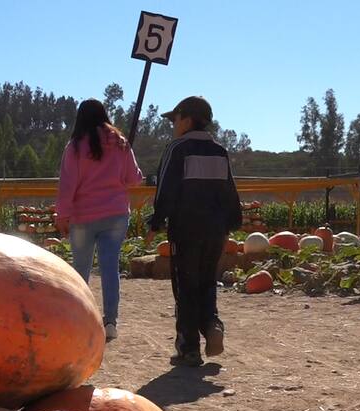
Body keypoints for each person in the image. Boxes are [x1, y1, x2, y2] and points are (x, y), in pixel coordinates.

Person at [145, 96, 242, 367]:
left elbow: (166, 189)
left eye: (174, 119)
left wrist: (156, 222)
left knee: (185, 284)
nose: (173, 125)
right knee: (207, 280)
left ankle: (188, 347)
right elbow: (230, 190)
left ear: (186, 119)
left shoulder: (178, 149)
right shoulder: (220, 151)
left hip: (186, 228)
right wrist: (232, 223)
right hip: (215, 229)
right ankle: (211, 323)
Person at [55, 99, 143, 342]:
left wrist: (62, 215)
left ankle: (80, 319)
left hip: (83, 216)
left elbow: (67, 185)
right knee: (109, 268)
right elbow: (134, 178)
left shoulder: (74, 147)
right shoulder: (120, 142)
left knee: (80, 269)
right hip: (115, 214)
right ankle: (111, 321)